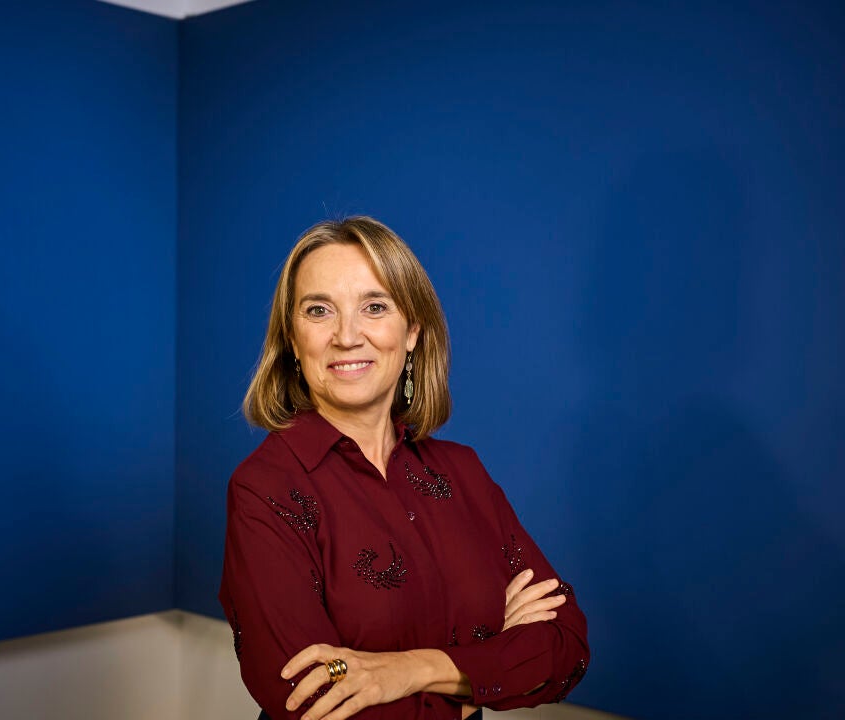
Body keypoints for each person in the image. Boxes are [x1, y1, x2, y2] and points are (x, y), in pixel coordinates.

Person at [219, 217, 589, 720]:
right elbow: (311, 701)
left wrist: (412, 670)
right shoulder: (265, 489)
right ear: (292, 337)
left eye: (374, 307)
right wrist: (480, 676)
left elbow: (565, 645)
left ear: (412, 330)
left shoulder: (462, 472)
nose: (347, 336)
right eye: (319, 310)